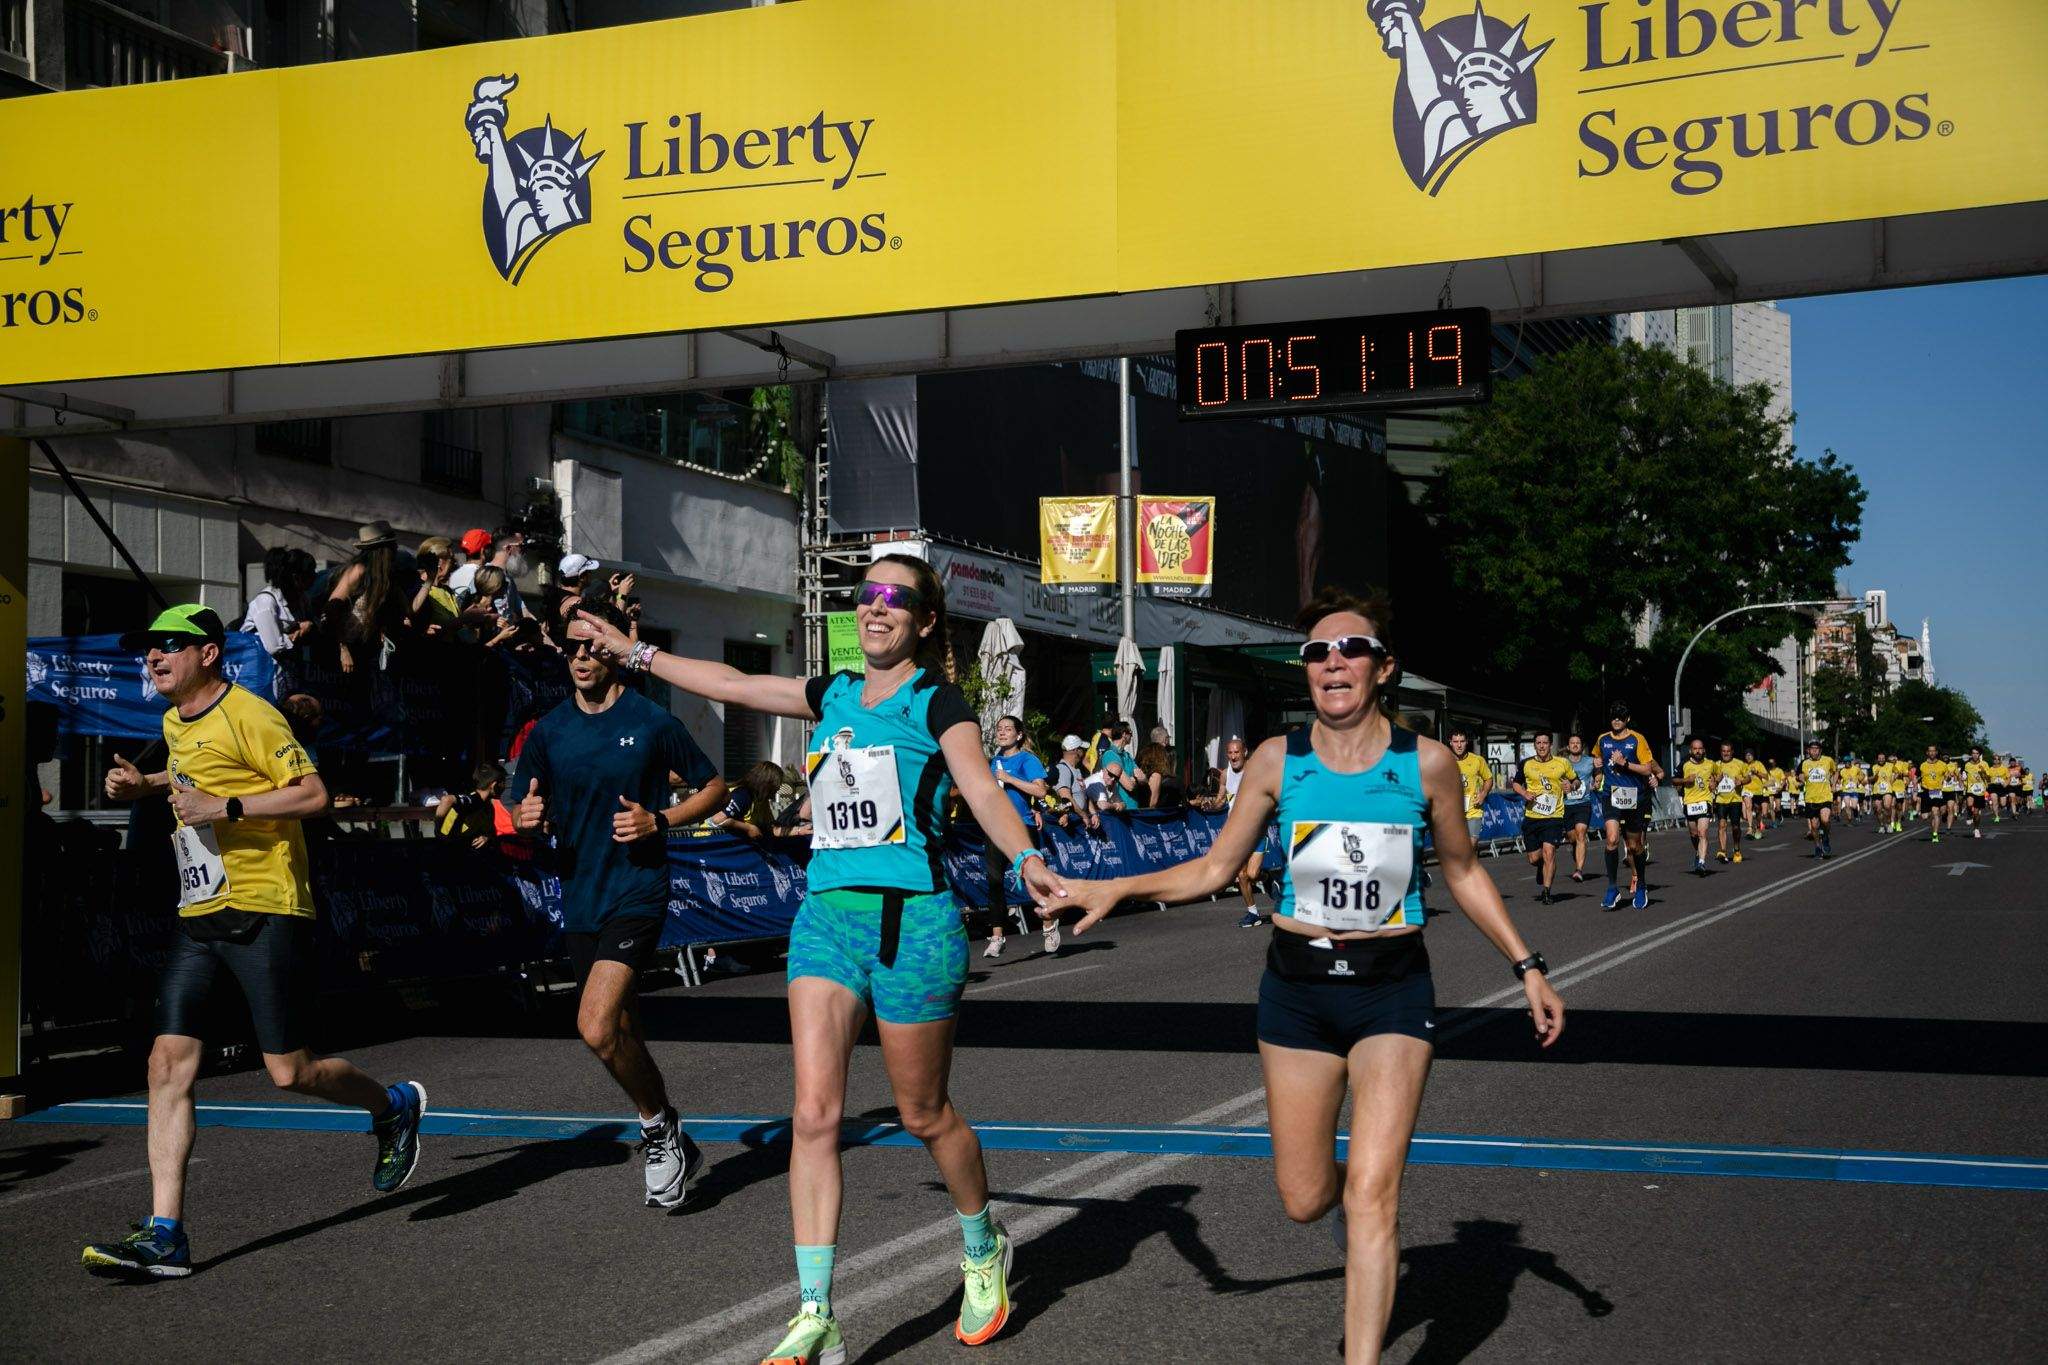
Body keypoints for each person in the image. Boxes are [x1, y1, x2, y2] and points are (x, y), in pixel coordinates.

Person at [569, 554, 1066, 1363]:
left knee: (923, 1113)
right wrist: (637, 652)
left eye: (896, 599)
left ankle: (982, 1244)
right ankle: (815, 1311)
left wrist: (1024, 856)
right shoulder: (831, 692)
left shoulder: (934, 700)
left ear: (925, 620)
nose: (876, 608)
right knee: (815, 1115)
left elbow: (980, 789)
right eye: (867, 593)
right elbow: (731, 684)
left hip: (914, 924)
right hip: (827, 921)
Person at [1054, 586, 1563, 1365]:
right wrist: (1116, 887)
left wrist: (1526, 965)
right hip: (1296, 988)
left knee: (1372, 1191)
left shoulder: (1425, 764)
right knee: (1303, 1196)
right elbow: (1217, 868)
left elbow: (1462, 871)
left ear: (1382, 667)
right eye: (1317, 652)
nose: (1332, 662)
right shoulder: (1274, 760)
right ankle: (1356, 1232)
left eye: (1350, 649)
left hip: (1392, 986)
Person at [82, 605, 426, 1278]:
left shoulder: (255, 715)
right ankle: (166, 1233)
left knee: (288, 1070)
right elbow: (193, 780)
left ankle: (392, 1106)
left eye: (168, 646)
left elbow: (314, 793)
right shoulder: (172, 721)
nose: (153, 658)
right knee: (166, 1064)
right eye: (148, 648)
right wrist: (144, 784)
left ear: (207, 653)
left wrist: (226, 809)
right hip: (200, 909)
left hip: (267, 906)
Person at [513, 600, 729, 1209]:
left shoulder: (651, 720)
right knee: (621, 1031)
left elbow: (713, 786)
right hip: (580, 896)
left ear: (613, 648)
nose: (582, 656)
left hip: (638, 890)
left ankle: (658, 1133)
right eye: (572, 647)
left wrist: (659, 819)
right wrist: (525, 820)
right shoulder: (549, 729)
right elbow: (522, 806)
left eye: (592, 644)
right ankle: (668, 1125)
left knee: (595, 1024)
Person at [984, 715, 1052, 957]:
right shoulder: (993, 762)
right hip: (995, 827)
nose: (1002, 733)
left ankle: (1047, 921)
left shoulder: (1027, 759)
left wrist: (1009, 779)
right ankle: (997, 937)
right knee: (993, 881)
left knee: (1032, 880)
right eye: (999, 729)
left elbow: (1041, 790)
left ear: (1019, 735)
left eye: (1008, 729)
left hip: (1021, 827)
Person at [1598, 704, 1662, 910]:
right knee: (1612, 839)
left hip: (1634, 797)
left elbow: (1646, 768)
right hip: (1611, 795)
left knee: (1634, 846)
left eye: (1620, 717)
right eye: (1613, 717)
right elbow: (1597, 760)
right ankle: (1612, 888)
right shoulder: (1602, 739)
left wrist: (1625, 763)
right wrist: (1597, 773)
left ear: (1627, 719)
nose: (1616, 720)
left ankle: (1641, 884)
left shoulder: (1637, 739)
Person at [1511, 732, 1572, 903]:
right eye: (1538, 743)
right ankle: (1541, 867)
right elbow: (1516, 783)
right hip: (1532, 816)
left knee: (1549, 852)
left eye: (1545, 742)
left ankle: (1547, 892)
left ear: (1550, 745)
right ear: (1534, 745)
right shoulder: (1526, 764)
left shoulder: (1562, 763)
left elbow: (1575, 781)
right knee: (1534, 858)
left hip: (1554, 815)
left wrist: (1570, 785)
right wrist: (1524, 792)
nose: (1542, 746)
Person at [1220, 736, 1268, 928]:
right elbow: (1220, 799)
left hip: (1256, 829)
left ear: (1245, 752)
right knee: (1241, 874)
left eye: (1236, 752)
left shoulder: (1255, 772)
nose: (1233, 756)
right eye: (1230, 753)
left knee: (1253, 874)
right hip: (1238, 832)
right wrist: (1210, 804)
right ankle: (1253, 913)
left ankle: (1269, 878)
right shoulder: (1225, 774)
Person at [239, 546, 316, 664]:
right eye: (310, 573)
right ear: (296, 577)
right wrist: (300, 633)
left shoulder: (303, 600)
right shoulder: (266, 601)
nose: (314, 577)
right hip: (259, 672)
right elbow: (274, 646)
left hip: (287, 671)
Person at [436, 760, 509, 850]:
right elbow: (446, 800)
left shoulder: (486, 805)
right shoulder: (472, 799)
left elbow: (489, 830)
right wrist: (440, 833)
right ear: (494, 784)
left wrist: (486, 837)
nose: (504, 787)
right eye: (502, 783)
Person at [712, 761, 789, 841]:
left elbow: (771, 827)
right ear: (767, 784)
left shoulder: (762, 800)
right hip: (708, 840)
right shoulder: (742, 795)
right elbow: (718, 820)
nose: (778, 789)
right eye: (777, 785)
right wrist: (748, 828)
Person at [1561, 734, 1596, 882]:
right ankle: (1577, 857)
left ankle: (1579, 870)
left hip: (1583, 803)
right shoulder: (1562, 762)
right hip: (1567, 804)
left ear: (1582, 746)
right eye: (1572, 743)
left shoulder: (1590, 761)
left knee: (1581, 833)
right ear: (1568, 746)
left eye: (1578, 743)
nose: (1575, 745)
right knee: (1572, 838)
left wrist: (1598, 780)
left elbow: (1599, 772)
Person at [1448, 728, 1492, 844]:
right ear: (1450, 742)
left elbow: (1488, 779)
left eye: (1462, 741)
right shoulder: (1444, 760)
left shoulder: (1477, 760)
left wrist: (1483, 794)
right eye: (1456, 742)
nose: (1459, 745)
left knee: (1471, 845)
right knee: (1457, 848)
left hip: (1473, 810)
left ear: (1467, 742)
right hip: (1452, 812)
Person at [1679, 736, 1716, 874]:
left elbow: (1719, 774)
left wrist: (1715, 782)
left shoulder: (1711, 763)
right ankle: (1698, 852)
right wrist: (1685, 780)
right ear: (1691, 750)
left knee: (1702, 832)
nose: (1698, 751)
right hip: (1689, 802)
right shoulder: (1684, 764)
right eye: (1695, 749)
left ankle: (1701, 862)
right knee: (1694, 833)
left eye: (1700, 748)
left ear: (1704, 750)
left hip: (1705, 801)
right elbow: (1674, 780)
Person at [1797, 740, 1837, 859]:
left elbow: (1835, 772)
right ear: (1808, 750)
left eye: (1816, 748)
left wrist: (1833, 785)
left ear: (1820, 750)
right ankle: (1818, 847)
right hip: (1811, 798)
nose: (1813, 750)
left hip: (1825, 796)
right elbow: (1799, 774)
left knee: (1825, 820)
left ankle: (1825, 837)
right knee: (1814, 826)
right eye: (1811, 748)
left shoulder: (1828, 760)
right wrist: (1802, 779)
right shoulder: (1805, 763)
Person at [1712, 740, 1746, 864]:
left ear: (1732, 752)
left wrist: (1741, 782)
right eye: (1723, 751)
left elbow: (1748, 777)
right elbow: (1711, 782)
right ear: (1721, 752)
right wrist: (1714, 781)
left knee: (1735, 827)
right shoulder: (1716, 765)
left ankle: (1736, 849)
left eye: (1728, 751)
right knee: (1722, 825)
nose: (1726, 753)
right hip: (1721, 800)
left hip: (1735, 800)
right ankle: (1723, 851)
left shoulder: (1739, 764)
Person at [1917, 745, 1950, 843]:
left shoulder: (1942, 764)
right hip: (1926, 791)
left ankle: (1935, 834)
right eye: (1929, 751)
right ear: (1927, 753)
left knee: (1936, 812)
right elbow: (1917, 777)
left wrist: (1948, 777)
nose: (1931, 753)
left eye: (1933, 751)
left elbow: (1947, 776)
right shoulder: (1922, 765)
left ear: (1936, 752)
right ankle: (1938, 814)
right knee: (1925, 816)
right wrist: (1915, 788)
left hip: (1937, 791)